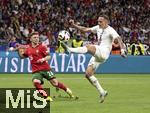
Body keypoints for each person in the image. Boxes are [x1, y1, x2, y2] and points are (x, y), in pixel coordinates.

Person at [61, 15, 126, 103]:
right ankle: (102, 92)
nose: (98, 23)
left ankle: (70, 50)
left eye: (100, 22)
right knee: (88, 74)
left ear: (106, 22)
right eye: (98, 21)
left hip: (104, 52)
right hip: (98, 54)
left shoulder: (110, 30)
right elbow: (85, 29)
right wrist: (74, 25)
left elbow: (119, 38)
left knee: (89, 47)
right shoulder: (98, 28)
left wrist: (122, 50)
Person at [18, 32, 75, 102]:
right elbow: (22, 57)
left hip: (46, 69)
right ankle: (46, 97)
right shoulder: (28, 48)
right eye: (34, 37)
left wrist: (43, 59)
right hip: (36, 71)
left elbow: (49, 56)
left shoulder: (42, 46)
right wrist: (19, 51)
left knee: (55, 83)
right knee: (36, 82)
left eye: (37, 37)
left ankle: (68, 91)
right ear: (30, 39)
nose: (36, 39)